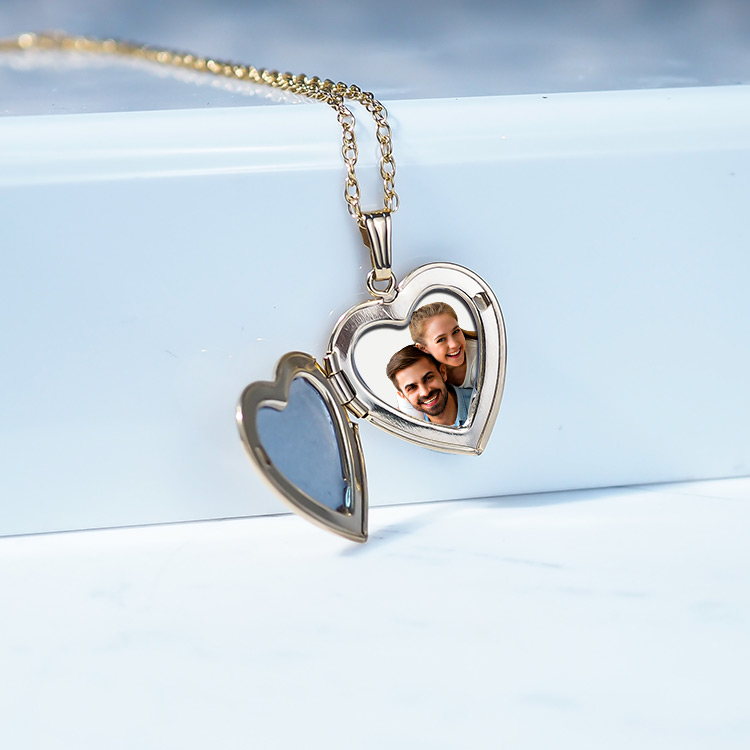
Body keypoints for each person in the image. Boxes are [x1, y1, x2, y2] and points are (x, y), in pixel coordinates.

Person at [386, 346, 473, 427]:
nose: (425, 392)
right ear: (403, 396)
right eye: (412, 388)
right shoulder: (408, 430)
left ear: (442, 373)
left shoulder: (478, 402)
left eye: (428, 378)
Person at [409, 302, 478, 389]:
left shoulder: (479, 360)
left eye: (456, 331)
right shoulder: (423, 369)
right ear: (423, 348)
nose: (453, 344)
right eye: (441, 339)